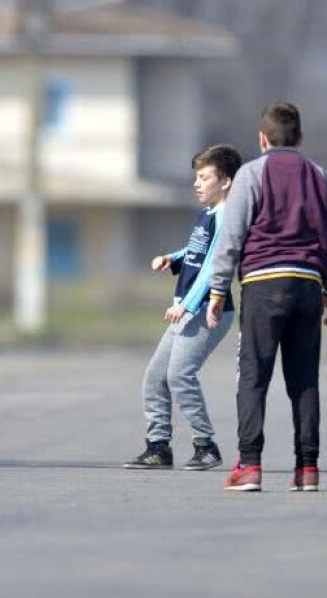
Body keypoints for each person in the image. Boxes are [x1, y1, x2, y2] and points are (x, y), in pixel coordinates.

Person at [207, 102, 327, 493]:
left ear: (262, 138)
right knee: (304, 381)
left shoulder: (251, 174)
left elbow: (231, 237)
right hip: (307, 286)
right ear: (300, 138)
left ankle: (249, 466)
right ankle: (307, 469)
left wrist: (218, 289)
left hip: (263, 285)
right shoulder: (318, 176)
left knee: (253, 377)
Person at [124, 144, 243, 472]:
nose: (197, 183)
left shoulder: (229, 217)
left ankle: (206, 446)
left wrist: (187, 305)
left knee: (180, 375)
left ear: (226, 181)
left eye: (204, 177)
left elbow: (215, 267)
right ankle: (158, 447)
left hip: (208, 309)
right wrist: (172, 258)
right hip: (187, 307)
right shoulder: (207, 215)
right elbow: (195, 252)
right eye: (196, 177)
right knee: (155, 377)